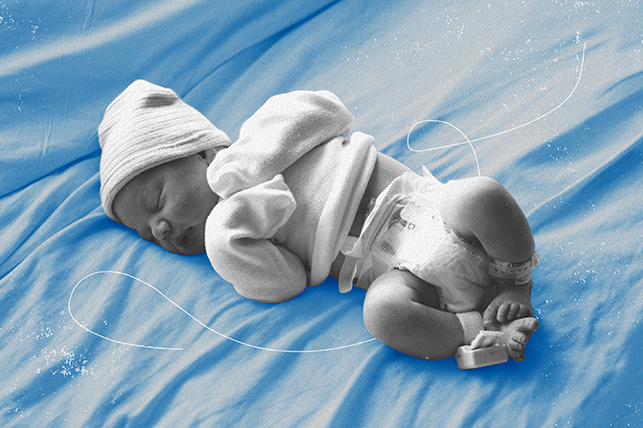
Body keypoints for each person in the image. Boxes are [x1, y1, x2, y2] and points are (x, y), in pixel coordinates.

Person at [99, 80, 539, 363]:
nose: (160, 229)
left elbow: (329, 111)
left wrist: (254, 160)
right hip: (394, 272)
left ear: (202, 151)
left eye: (156, 200)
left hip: (433, 210)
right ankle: (480, 327)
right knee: (382, 315)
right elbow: (284, 281)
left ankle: (514, 280)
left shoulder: (264, 135)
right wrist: (225, 236)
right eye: (147, 232)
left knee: (482, 195)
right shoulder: (236, 230)